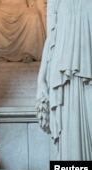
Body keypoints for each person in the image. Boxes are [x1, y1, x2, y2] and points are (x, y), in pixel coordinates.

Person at [36, 0, 92, 160]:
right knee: (69, 133)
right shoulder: (56, 1)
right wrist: (41, 80)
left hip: (88, 67)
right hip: (62, 74)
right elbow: (50, 39)